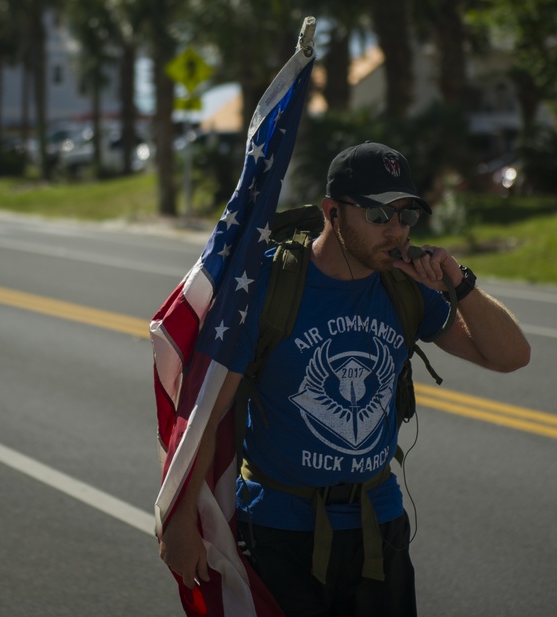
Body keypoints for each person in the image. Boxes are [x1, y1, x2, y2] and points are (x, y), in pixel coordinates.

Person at [159, 142, 530, 616]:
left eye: (406, 215)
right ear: (332, 212)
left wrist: (460, 283)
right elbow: (207, 415)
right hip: (280, 531)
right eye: (378, 215)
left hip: (379, 526)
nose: (395, 232)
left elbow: (512, 357)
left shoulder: (407, 286)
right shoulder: (270, 286)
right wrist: (181, 522)